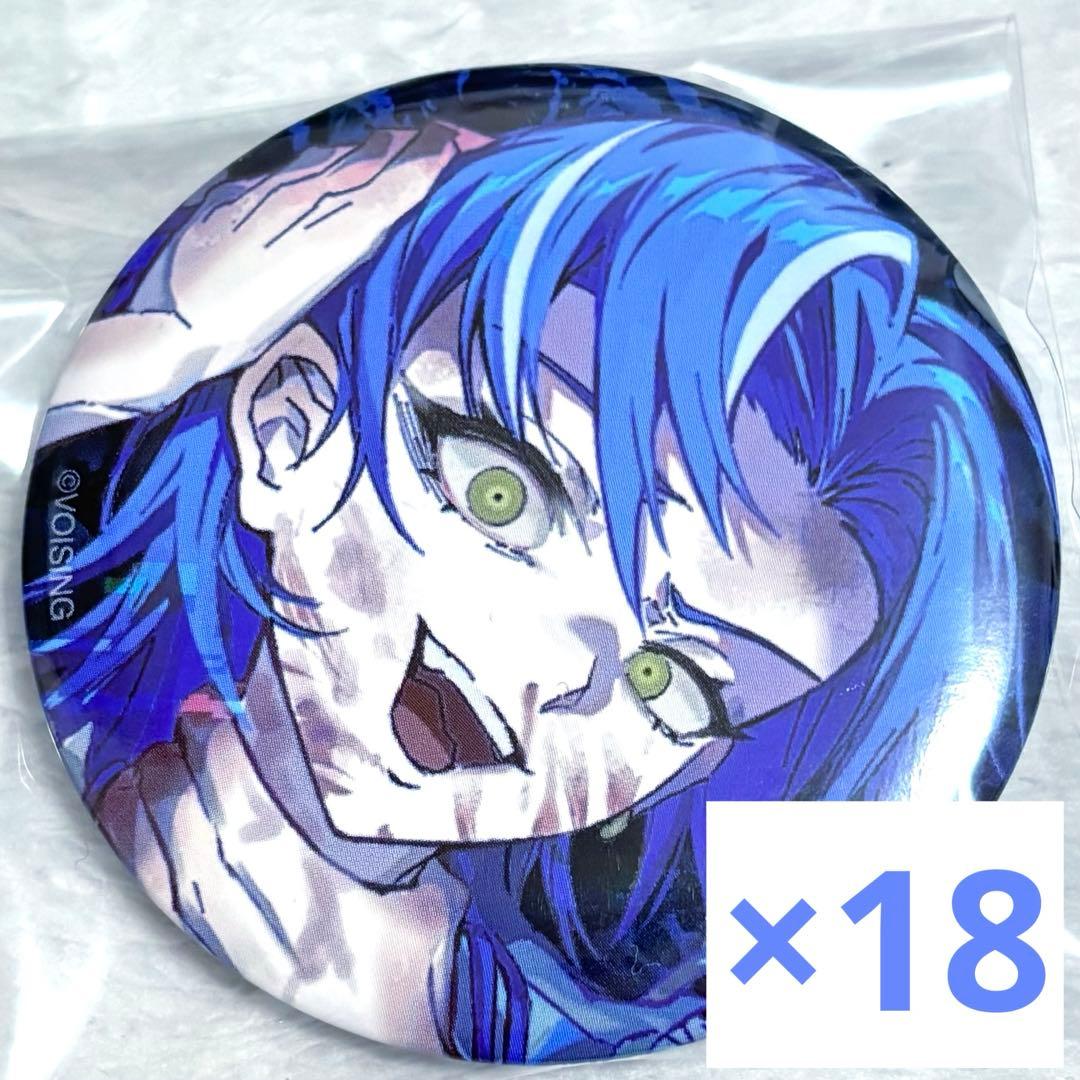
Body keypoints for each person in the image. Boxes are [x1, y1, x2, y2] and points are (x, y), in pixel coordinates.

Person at [26, 105, 1057, 1062]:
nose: (570, 672)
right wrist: (149, 348)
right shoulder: (63, 741)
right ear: (289, 425)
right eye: (505, 498)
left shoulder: (567, 1016)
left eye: (673, 684)